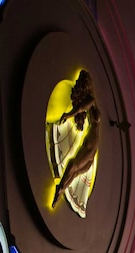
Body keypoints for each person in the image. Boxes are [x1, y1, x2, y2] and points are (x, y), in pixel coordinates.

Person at [52, 69, 101, 208]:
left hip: (94, 147)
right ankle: (60, 188)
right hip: (90, 143)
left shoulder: (94, 101)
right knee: (73, 165)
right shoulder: (91, 101)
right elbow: (80, 108)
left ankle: (61, 190)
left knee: (77, 172)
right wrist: (68, 115)